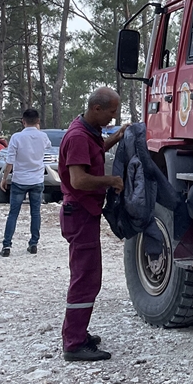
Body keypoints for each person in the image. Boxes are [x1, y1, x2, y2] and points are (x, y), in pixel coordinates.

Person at [58, 87, 127, 362]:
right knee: (85, 279)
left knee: (87, 276)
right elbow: (79, 180)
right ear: (96, 109)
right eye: (111, 112)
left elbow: (94, 153)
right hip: (80, 213)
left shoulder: (87, 132)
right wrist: (112, 181)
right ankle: (74, 343)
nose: (113, 117)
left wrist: (116, 137)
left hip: (84, 213)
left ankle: (78, 333)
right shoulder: (77, 137)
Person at [0, 109, 51, 257]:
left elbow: (10, 160)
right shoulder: (43, 136)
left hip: (19, 179)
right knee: (35, 213)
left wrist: (4, 178)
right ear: (38, 121)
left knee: (13, 214)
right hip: (37, 180)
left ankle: (7, 245)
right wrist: (38, 130)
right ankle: (33, 243)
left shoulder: (16, 137)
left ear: (23, 121)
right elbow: (47, 145)